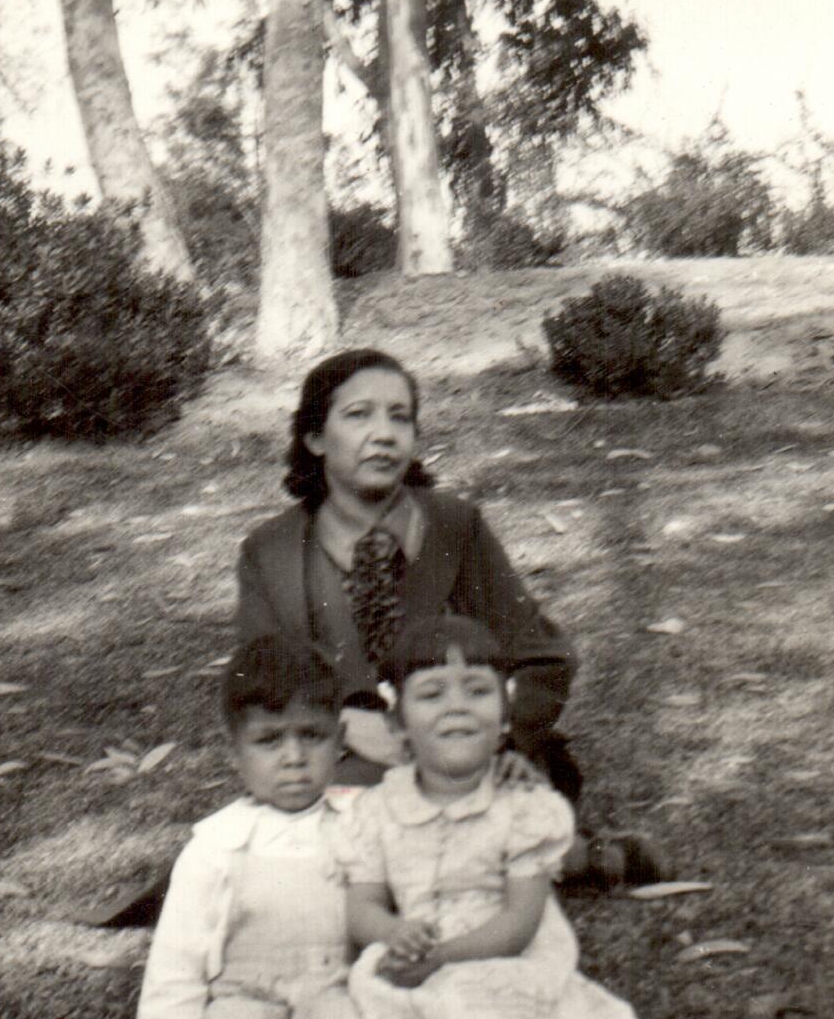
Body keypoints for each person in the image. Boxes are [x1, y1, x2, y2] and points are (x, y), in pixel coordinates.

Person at [235, 347, 663, 888]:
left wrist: (488, 734)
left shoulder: (455, 528)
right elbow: (261, 684)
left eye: (400, 416)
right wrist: (342, 725)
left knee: (376, 847)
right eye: (358, 414)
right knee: (318, 843)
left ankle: (533, 854)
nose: (384, 433)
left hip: (472, 759)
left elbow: (542, 659)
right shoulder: (270, 552)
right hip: (346, 767)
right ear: (315, 438)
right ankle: (558, 859)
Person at [336, 617, 657, 1019]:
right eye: (432, 694)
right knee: (370, 979)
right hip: (423, 943)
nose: (457, 707)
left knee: (467, 982)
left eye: (478, 691)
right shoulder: (376, 810)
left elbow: (520, 925)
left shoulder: (523, 808)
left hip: (502, 946)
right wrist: (395, 934)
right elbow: (360, 906)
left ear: (506, 716)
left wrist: (438, 957)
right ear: (399, 725)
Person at [135, 635, 399, 1019]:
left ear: (340, 739)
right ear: (236, 752)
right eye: (269, 740)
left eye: (312, 736)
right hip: (243, 990)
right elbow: (176, 961)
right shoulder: (216, 846)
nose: (294, 757)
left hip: (332, 979)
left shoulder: (362, 819)